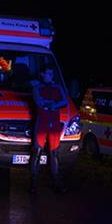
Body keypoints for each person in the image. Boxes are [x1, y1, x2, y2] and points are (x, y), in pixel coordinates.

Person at [29, 66, 68, 195]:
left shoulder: (57, 87)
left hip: (54, 125)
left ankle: (57, 182)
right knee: (37, 152)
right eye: (48, 73)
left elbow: (64, 102)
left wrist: (52, 104)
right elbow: (39, 102)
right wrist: (54, 103)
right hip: (42, 124)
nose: (50, 75)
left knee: (54, 153)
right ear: (42, 74)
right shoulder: (37, 88)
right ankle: (33, 184)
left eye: (52, 73)